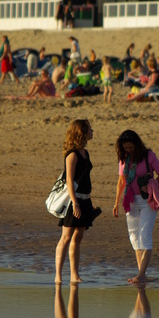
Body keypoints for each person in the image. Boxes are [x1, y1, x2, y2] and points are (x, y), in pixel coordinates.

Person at [113, 130, 159, 284]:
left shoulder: (149, 155)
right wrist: (116, 203)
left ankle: (141, 275)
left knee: (144, 237)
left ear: (136, 144)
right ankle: (141, 273)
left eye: (130, 147)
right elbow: (121, 181)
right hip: (130, 201)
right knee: (134, 238)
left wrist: (151, 184)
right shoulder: (124, 159)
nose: (128, 150)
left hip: (147, 200)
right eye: (126, 148)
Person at [55, 119, 101, 284]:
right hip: (73, 202)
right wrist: (75, 203)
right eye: (89, 129)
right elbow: (69, 180)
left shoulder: (85, 153)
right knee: (66, 237)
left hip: (85, 199)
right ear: (82, 133)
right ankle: (58, 276)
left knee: (78, 237)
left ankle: (74, 275)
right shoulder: (72, 155)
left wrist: (88, 202)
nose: (92, 131)